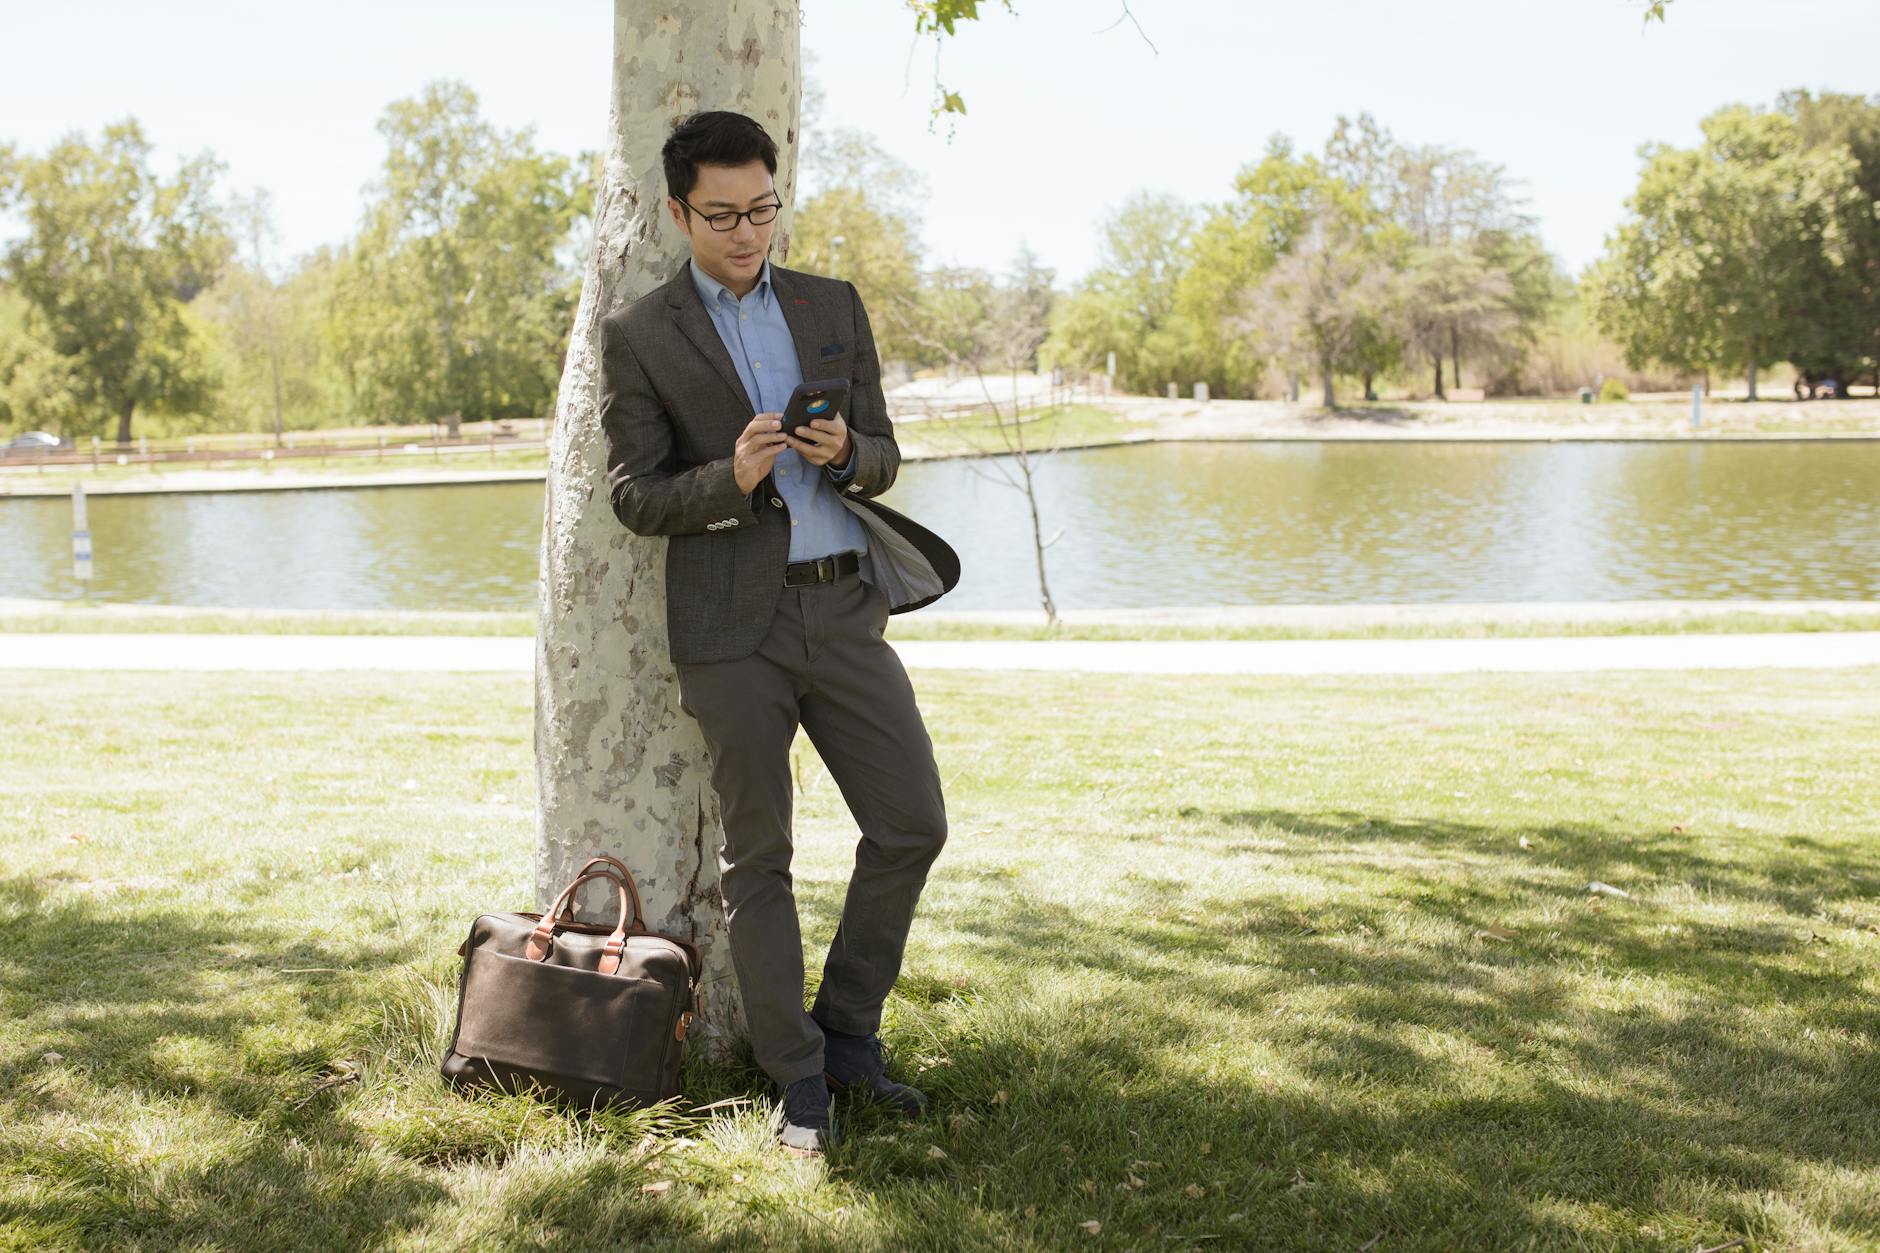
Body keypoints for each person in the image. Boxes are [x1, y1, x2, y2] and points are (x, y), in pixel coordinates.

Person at [596, 110, 958, 1155]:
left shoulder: (830, 304)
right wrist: (733, 476)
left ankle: (847, 1034)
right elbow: (633, 495)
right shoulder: (639, 334)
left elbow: (884, 453)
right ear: (678, 213)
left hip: (844, 609)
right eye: (722, 216)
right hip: (729, 628)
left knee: (912, 823)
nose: (747, 232)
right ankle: (797, 1075)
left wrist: (845, 453)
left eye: (761, 209)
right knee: (759, 857)